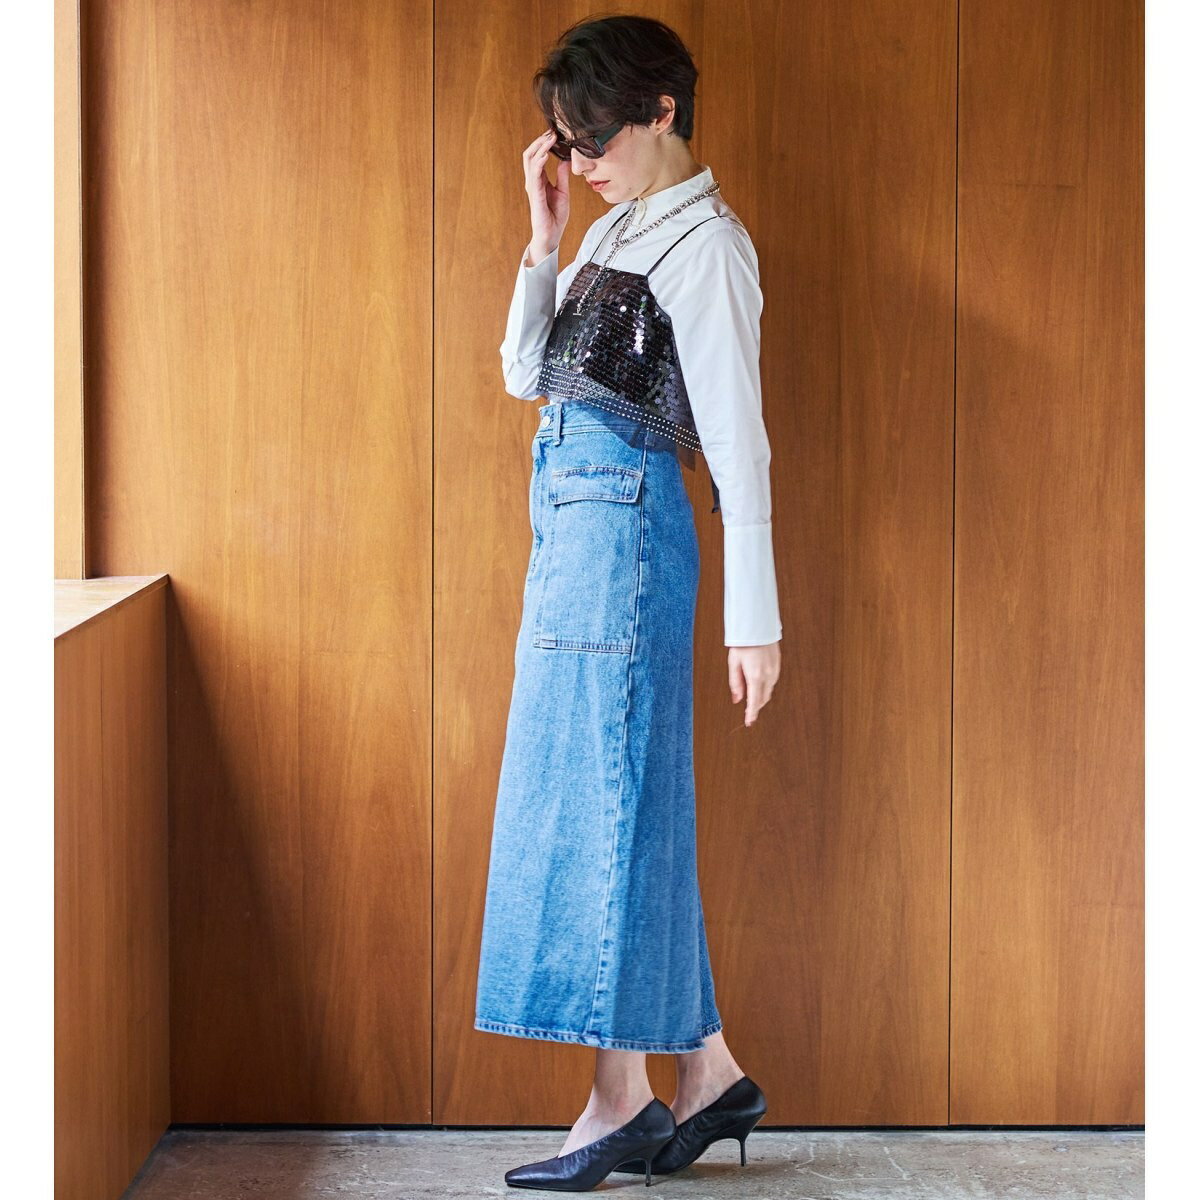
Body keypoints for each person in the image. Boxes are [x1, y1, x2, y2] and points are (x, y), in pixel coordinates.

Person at [473, 14, 779, 1191]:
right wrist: (544, 238)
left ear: (662, 110)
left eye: (596, 135)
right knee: (613, 797)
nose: (583, 159)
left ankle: (620, 1097)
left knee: (606, 801)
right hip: (572, 533)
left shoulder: (708, 246)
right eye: (568, 139)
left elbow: (738, 446)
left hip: (627, 537)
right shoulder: (611, 228)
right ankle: (706, 1072)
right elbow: (527, 374)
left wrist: (754, 619)